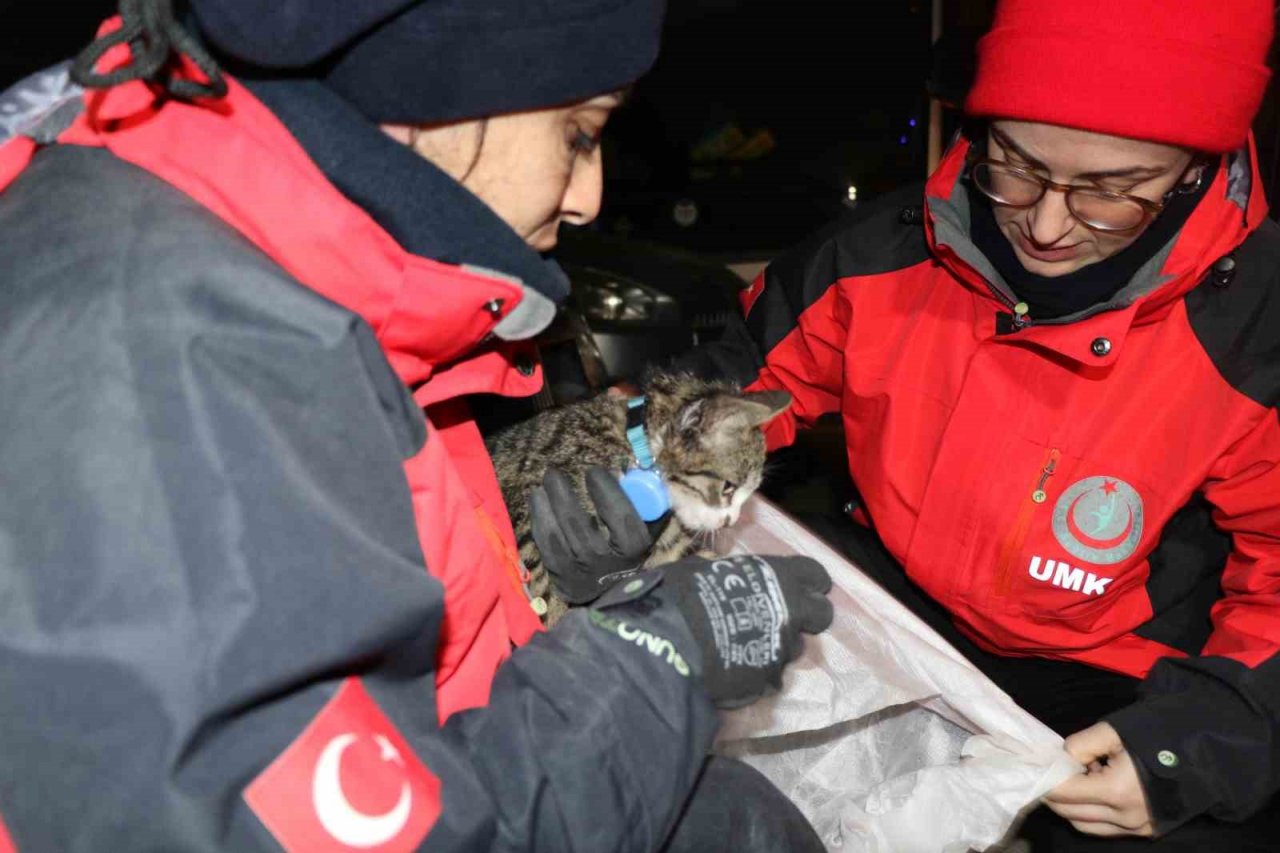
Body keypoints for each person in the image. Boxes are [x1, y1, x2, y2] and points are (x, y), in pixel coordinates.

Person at [0, 1, 835, 850]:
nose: (591, 198)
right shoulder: (171, 364)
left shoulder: (341, 310)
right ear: (438, 81)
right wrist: (653, 660)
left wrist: (565, 589)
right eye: (580, 134)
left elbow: (414, 656)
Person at [535, 0, 1280, 849]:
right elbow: (730, 390)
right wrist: (622, 480)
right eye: (1015, 164)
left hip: (1120, 679)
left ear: (1194, 170)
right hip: (900, 614)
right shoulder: (877, 252)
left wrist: (1197, 745)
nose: (1044, 225)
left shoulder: (1259, 328)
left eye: (1110, 192)